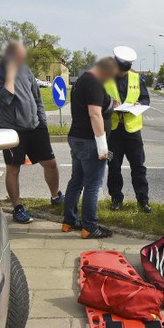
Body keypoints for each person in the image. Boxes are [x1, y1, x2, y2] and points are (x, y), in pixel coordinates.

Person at [0, 41, 63, 224]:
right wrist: (10, 74)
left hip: (35, 126)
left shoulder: (26, 70)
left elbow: (37, 98)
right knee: (13, 169)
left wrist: (42, 122)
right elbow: (5, 99)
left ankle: (56, 196)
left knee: (50, 163)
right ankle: (17, 207)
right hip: (11, 130)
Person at [62, 58, 118, 239]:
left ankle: (69, 221)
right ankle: (89, 227)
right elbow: (94, 114)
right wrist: (102, 145)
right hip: (89, 140)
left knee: (76, 181)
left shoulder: (82, 80)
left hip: (77, 136)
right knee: (93, 185)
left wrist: (110, 103)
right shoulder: (94, 82)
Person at [104, 46, 152, 213]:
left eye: (125, 70)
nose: (122, 73)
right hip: (114, 131)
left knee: (138, 167)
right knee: (114, 167)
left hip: (132, 130)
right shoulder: (106, 79)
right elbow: (98, 101)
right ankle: (116, 199)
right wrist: (110, 104)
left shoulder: (136, 78)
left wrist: (140, 104)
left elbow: (145, 98)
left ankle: (143, 201)